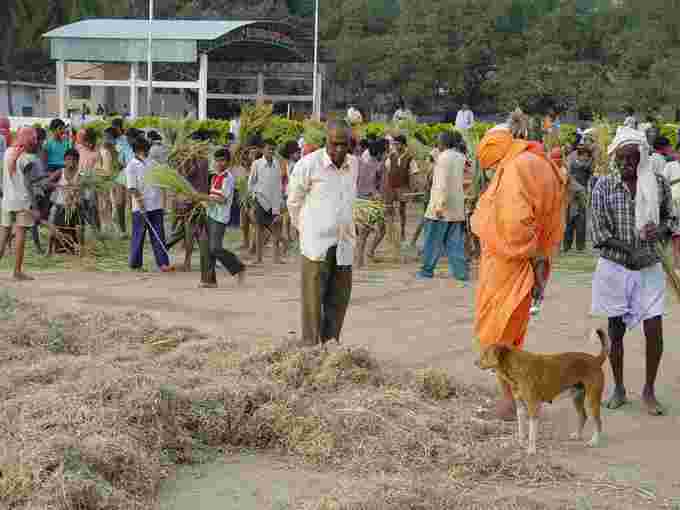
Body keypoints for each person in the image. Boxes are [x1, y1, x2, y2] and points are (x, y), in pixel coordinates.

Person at [472, 112, 567, 420]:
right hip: (533, 262)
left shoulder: (515, 169)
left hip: (509, 264)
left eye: (491, 168)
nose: (491, 175)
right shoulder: (541, 164)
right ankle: (515, 398)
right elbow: (552, 220)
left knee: (498, 336)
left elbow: (515, 226)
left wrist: (526, 254)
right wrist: (540, 260)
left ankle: (508, 402)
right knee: (512, 332)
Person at [591, 127, 679, 416]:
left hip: (649, 268)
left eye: (632, 159)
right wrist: (631, 251)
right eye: (621, 159)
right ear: (614, 158)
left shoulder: (657, 183)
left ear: (642, 157)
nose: (626, 164)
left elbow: (672, 219)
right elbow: (600, 234)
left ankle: (649, 391)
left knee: (654, 330)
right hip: (616, 268)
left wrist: (661, 230)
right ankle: (618, 389)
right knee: (616, 331)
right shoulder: (603, 186)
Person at [287, 120, 358, 345]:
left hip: (345, 241)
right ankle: (311, 348)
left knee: (339, 297)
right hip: (316, 245)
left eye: (344, 145)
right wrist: (307, 230)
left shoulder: (354, 164)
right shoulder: (308, 164)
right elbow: (294, 203)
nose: (339, 150)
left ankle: (331, 345)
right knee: (313, 298)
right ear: (325, 141)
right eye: (334, 144)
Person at [416, 131, 469, 281]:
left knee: (432, 241)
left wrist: (439, 205)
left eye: (438, 140)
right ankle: (460, 272)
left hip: (441, 207)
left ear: (444, 143)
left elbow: (441, 184)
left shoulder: (443, 158)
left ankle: (426, 270)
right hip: (456, 207)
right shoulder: (460, 157)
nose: (437, 143)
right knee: (455, 243)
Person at [201, 148, 246, 288]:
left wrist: (203, 197)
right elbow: (213, 196)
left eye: (222, 160)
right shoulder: (215, 177)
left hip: (220, 218)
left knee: (215, 248)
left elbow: (221, 199)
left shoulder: (228, 178)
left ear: (228, 162)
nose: (219, 163)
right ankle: (209, 280)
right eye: (217, 160)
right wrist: (203, 202)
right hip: (210, 214)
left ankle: (238, 266)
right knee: (206, 248)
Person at [126, 137, 172, 272]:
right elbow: (132, 188)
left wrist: (163, 202)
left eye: (148, 149)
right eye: (145, 149)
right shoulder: (131, 166)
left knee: (158, 234)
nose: (147, 151)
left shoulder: (152, 163)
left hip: (156, 205)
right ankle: (135, 264)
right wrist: (140, 203)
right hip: (140, 208)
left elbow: (160, 180)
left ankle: (163, 263)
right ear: (138, 150)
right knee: (138, 235)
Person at [0, 127, 40, 280]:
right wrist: (35, 207)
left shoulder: (7, 153)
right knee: (20, 235)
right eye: (33, 138)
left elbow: (6, 175)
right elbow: (29, 185)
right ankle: (17, 271)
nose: (35, 142)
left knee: (3, 236)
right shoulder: (26, 159)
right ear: (24, 138)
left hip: (7, 200)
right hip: (22, 202)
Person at [248, 139, 284, 265]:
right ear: (263, 150)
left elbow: (279, 184)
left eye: (273, 149)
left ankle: (276, 257)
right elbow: (251, 183)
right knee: (258, 230)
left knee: (276, 229)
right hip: (260, 200)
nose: (271, 151)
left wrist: (280, 202)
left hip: (274, 201)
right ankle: (258, 258)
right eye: (269, 149)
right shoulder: (256, 164)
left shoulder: (277, 164)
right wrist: (254, 200)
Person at [47, 149, 83, 256]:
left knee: (78, 226)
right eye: (68, 159)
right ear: (65, 160)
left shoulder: (81, 173)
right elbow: (48, 182)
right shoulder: (60, 172)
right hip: (60, 205)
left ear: (78, 161)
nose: (71, 162)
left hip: (75, 205)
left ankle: (80, 247)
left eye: (74, 160)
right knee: (53, 226)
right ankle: (48, 250)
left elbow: (83, 186)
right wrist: (59, 186)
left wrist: (74, 191)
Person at [384, 134, 419, 241]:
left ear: (404, 145)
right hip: (391, 186)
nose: (396, 146)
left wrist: (414, 187)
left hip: (403, 187)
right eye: (395, 144)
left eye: (398, 144)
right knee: (389, 210)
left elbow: (414, 173)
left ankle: (402, 232)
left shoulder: (409, 158)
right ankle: (390, 233)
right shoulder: (391, 156)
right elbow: (386, 170)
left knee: (402, 210)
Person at [564, 144, 593, 252]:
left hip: (580, 194)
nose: (586, 158)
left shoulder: (585, 165)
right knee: (570, 221)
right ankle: (568, 245)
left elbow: (589, 169)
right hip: (572, 194)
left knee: (580, 221)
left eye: (587, 156)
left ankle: (579, 246)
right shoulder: (573, 164)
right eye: (585, 156)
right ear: (579, 155)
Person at [77, 128, 101, 234]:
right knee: (81, 206)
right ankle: (83, 228)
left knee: (93, 207)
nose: (89, 144)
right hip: (80, 182)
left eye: (92, 142)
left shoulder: (97, 153)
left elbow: (98, 170)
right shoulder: (79, 148)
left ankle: (96, 230)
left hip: (91, 183)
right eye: (87, 141)